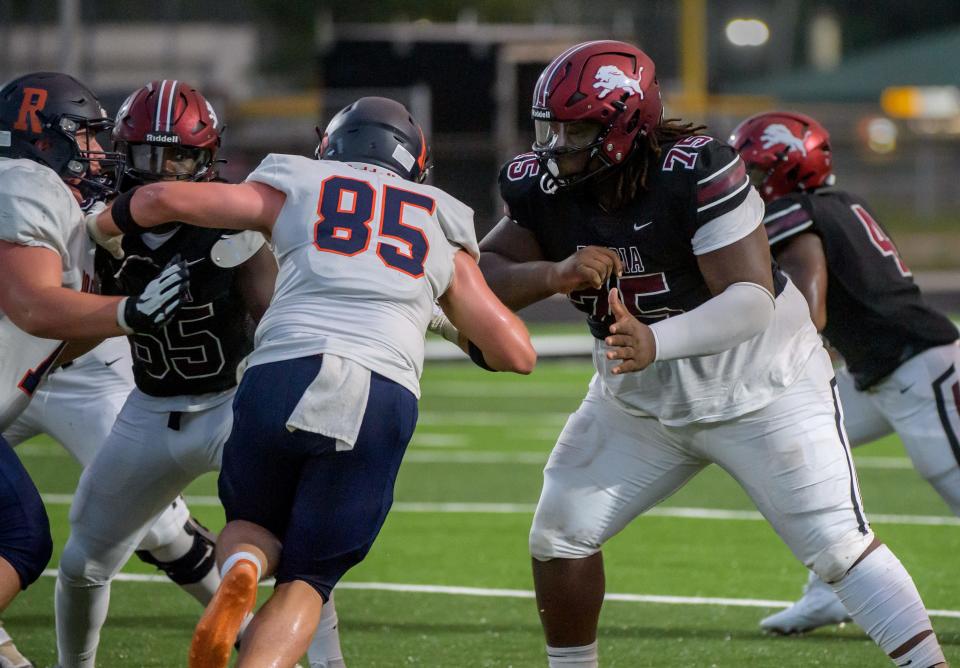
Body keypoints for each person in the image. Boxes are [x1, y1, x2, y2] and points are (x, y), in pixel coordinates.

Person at [479, 41, 946, 667]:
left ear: (626, 125)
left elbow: (751, 299)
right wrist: (553, 274)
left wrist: (655, 340)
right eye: (550, 127)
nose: (557, 144)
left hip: (762, 388)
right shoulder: (542, 185)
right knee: (559, 535)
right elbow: (488, 270)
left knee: (838, 547)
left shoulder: (695, 169)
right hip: (640, 403)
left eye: (578, 127)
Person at [90, 95, 536, 668]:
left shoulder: (299, 181)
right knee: (308, 579)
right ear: (416, 165)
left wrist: (98, 228)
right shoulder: (436, 216)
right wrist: (441, 314)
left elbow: (159, 197)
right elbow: (517, 353)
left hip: (280, 369)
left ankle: (241, 570)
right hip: (379, 386)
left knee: (250, 524)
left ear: (331, 146)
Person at [52, 80, 279, 668]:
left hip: (229, 404)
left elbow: (274, 319)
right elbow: (75, 339)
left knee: (298, 553)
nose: (163, 170)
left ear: (205, 160)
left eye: (178, 155)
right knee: (81, 563)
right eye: (150, 155)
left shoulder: (233, 225)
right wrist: (124, 315)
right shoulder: (101, 230)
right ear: (124, 153)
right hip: (147, 412)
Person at [730, 110, 960, 635]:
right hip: (876, 369)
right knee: (802, 455)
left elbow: (811, 301)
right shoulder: (838, 201)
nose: (749, 185)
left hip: (920, 366)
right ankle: (830, 592)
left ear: (790, 167)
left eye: (757, 173)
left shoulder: (794, 211)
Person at [0, 71, 188, 664]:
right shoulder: (26, 183)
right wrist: (130, 312)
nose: (98, 152)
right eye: (85, 137)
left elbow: (56, 343)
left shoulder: (55, 202)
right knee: (21, 537)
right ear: (45, 137)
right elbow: (32, 306)